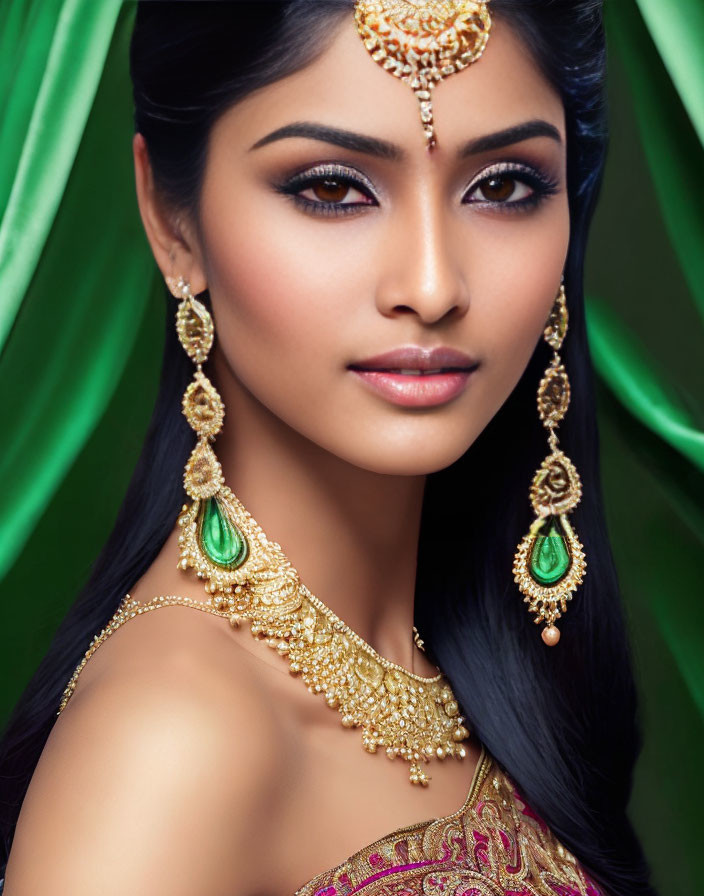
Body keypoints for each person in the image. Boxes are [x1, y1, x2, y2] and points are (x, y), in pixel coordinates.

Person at [0, 1, 657, 894]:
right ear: (171, 220)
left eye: (502, 186)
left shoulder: (488, 670)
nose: (431, 284)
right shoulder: (169, 742)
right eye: (332, 188)